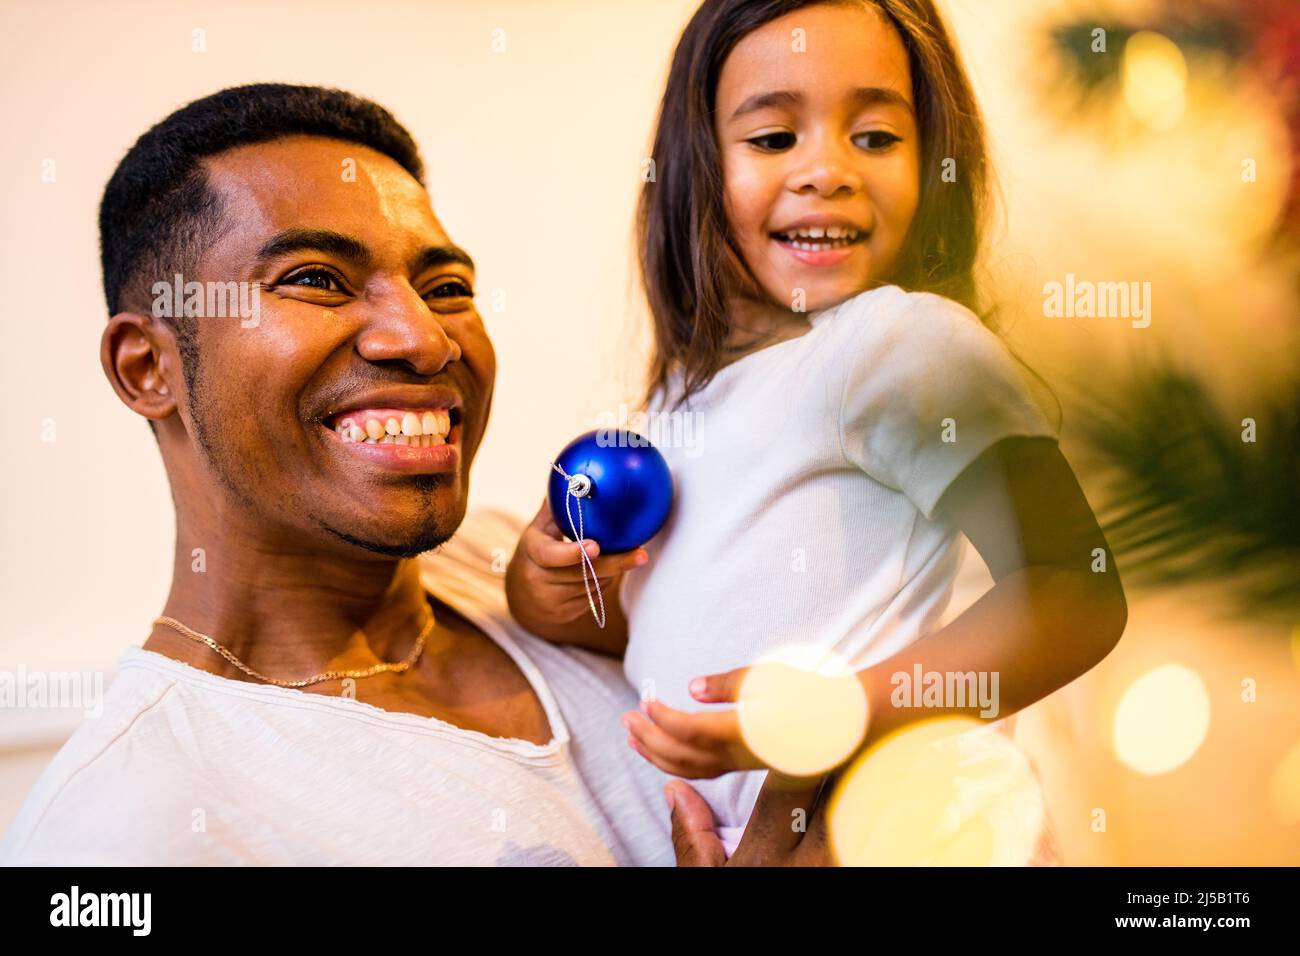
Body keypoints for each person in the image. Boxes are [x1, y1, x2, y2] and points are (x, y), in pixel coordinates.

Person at [0, 83, 824, 867]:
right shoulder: (123, 826)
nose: (425, 340)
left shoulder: (542, 578)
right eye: (316, 280)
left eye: (446, 286)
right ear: (149, 367)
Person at [506, 0, 1127, 860]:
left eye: (875, 137)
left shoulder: (903, 344)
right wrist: (545, 593)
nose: (828, 170)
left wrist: (838, 717)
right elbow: (680, 618)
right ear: (696, 168)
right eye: (772, 139)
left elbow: (1074, 589)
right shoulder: (678, 408)